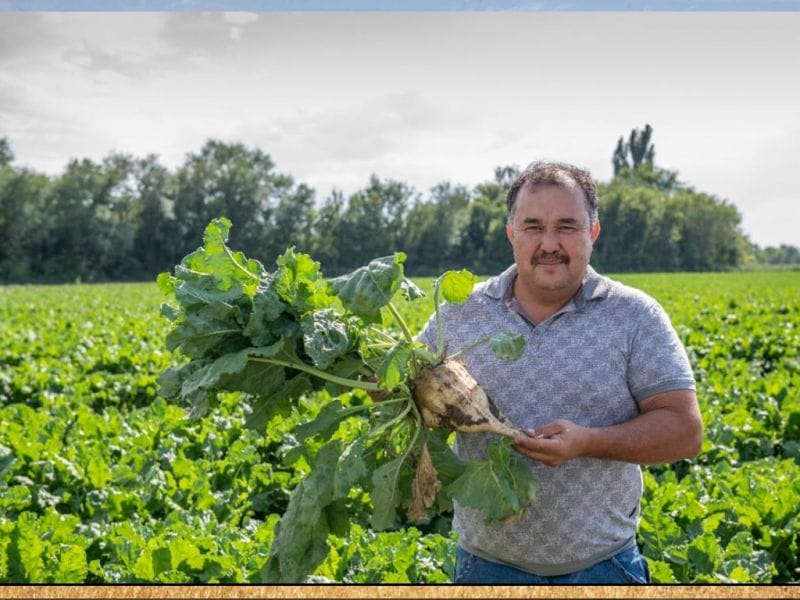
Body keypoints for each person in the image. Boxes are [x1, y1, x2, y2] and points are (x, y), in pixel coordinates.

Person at [417, 160, 703, 584]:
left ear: (593, 231)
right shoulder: (460, 313)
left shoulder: (635, 315)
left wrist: (588, 442)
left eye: (566, 226)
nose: (549, 243)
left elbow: (685, 431)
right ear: (511, 232)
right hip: (485, 568)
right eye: (533, 226)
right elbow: (401, 389)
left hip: (605, 568)